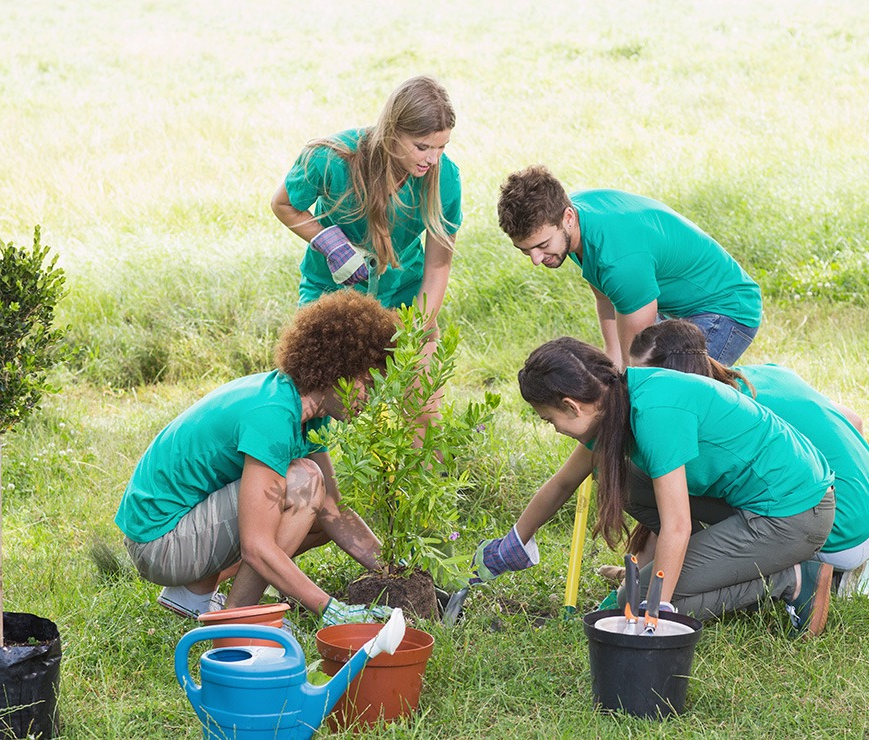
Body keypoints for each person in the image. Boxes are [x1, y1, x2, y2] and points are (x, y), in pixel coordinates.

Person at [469, 337, 837, 637]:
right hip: (752, 501)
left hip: (793, 513)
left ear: (571, 405)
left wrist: (657, 604)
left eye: (549, 420)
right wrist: (514, 542)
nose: (555, 429)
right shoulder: (616, 401)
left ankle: (788, 578)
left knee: (631, 604)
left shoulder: (655, 415)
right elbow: (563, 483)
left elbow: (677, 525)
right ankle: (718, 560)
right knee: (617, 478)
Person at [115, 291, 398, 625]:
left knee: (321, 509)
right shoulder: (273, 416)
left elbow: (335, 512)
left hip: (181, 527)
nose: (371, 399)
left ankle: (194, 593)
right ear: (339, 367)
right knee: (304, 482)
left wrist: (397, 573)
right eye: (367, 383)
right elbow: (256, 545)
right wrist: (332, 610)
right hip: (159, 542)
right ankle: (238, 618)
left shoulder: (306, 408)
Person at [624, 319, 869, 596]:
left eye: (647, 379)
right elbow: (854, 420)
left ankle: (795, 577)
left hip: (832, 534)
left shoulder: (715, 419)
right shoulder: (764, 374)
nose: (638, 391)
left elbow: (672, 505)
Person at [496, 165, 762, 368]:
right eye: (525, 250)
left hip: (725, 310)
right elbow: (604, 292)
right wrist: (613, 356)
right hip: (674, 308)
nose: (535, 259)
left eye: (542, 245)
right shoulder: (575, 220)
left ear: (567, 218)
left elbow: (637, 363)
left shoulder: (619, 259)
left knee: (666, 395)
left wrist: (624, 376)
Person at [272, 75, 462, 336]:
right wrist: (329, 242)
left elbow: (438, 267)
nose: (433, 159)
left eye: (442, 146)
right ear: (392, 132)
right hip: (331, 294)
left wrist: (414, 328)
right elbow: (283, 204)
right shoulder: (332, 159)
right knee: (321, 373)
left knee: (420, 376)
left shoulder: (445, 178)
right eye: (422, 147)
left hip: (404, 295)